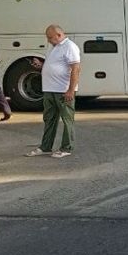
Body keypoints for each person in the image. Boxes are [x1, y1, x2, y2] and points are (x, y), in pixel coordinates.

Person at [25, 25, 81, 159]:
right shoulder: (53, 47)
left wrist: (70, 90)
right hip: (49, 89)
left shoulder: (70, 47)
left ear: (59, 35)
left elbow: (76, 69)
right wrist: (41, 66)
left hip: (62, 90)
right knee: (49, 118)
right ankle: (46, 146)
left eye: (50, 37)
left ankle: (66, 147)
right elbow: (55, 65)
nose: (48, 40)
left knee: (67, 119)